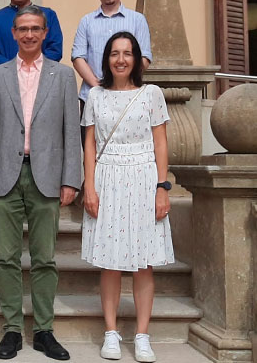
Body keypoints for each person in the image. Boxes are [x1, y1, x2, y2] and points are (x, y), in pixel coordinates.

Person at [0, 5, 80, 361]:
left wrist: (71, 179)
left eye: (36, 28)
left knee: (44, 259)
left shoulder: (63, 76)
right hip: (5, 176)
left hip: (47, 176)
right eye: (23, 29)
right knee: (6, 258)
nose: (29, 34)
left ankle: (43, 330)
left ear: (45, 32)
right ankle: (11, 329)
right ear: (14, 33)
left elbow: (71, 132)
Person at [81, 32, 173, 363]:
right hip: (108, 177)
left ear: (136, 59)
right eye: (115, 53)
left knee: (144, 263)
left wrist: (162, 187)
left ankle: (142, 335)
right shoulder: (96, 95)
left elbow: (160, 142)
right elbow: (90, 144)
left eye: (127, 53)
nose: (121, 59)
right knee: (110, 262)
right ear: (106, 58)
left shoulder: (152, 94)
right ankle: (111, 332)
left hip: (144, 178)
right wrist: (89, 186)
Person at [71, 0, 152, 128]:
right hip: (92, 97)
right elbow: (78, 57)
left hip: (129, 97)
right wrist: (98, 87)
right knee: (90, 142)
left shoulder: (137, 20)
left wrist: (123, 85)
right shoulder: (86, 21)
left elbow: (144, 57)